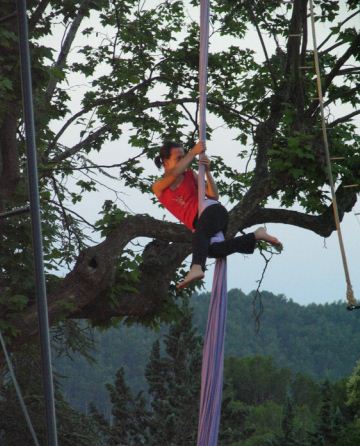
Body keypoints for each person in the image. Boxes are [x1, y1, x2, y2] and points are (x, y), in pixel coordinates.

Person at [152, 141, 282, 289]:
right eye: (178, 158)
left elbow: (214, 196)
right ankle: (256, 235)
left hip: (213, 212)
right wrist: (193, 152)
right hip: (205, 222)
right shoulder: (158, 187)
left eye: (184, 157)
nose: (184, 161)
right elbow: (174, 174)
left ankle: (196, 267)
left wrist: (207, 172)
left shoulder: (190, 175)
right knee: (214, 251)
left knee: (199, 235)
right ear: (165, 162)